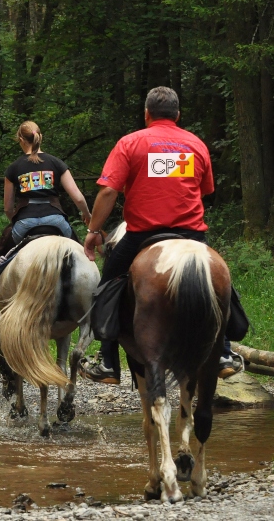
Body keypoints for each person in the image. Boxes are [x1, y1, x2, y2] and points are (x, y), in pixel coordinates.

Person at [79, 86, 244, 384]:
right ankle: (223, 351)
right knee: (221, 284)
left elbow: (108, 191)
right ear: (178, 115)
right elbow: (206, 190)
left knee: (109, 284)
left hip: (143, 235)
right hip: (190, 235)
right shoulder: (196, 144)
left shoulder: (130, 143)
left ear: (146, 114)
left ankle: (107, 360)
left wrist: (93, 231)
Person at [0, 121, 91, 333]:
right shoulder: (56, 163)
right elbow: (78, 197)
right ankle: (94, 310)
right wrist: (87, 214)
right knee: (84, 259)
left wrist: (14, 218)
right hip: (57, 222)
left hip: (25, 223)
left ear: (21, 140)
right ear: (40, 136)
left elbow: (7, 206)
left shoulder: (14, 168)